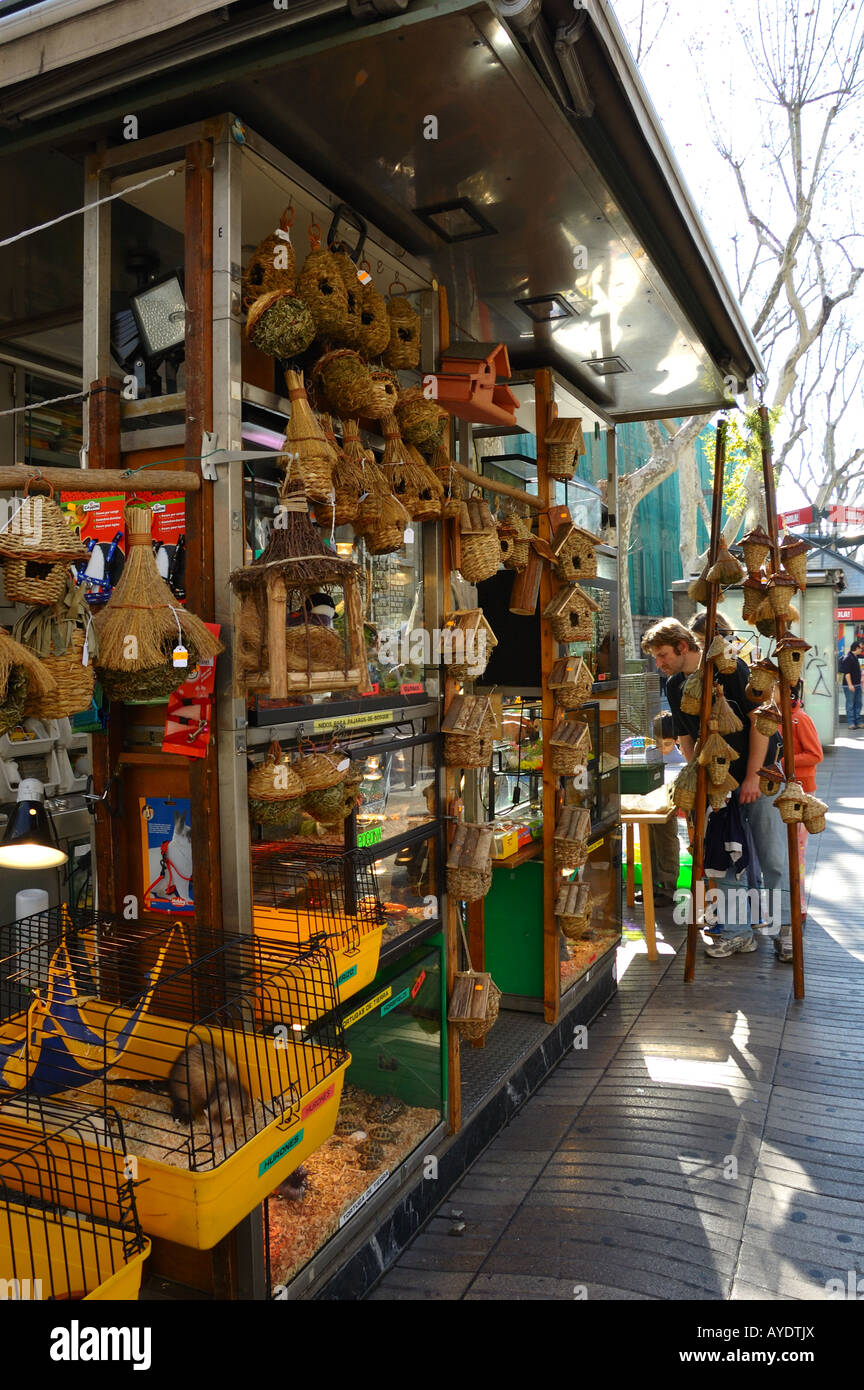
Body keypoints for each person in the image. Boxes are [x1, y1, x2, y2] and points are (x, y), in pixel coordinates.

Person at [641, 617, 791, 960]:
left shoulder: (729, 668)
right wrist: (703, 780)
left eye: (663, 655)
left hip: (761, 773)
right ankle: (738, 932)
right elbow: (685, 737)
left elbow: (760, 724)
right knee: (723, 858)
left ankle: (785, 931)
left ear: (682, 646)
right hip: (717, 782)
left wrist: (753, 776)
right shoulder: (675, 685)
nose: (659, 663)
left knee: (772, 857)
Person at [771, 682, 824, 962]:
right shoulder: (773, 717)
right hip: (782, 794)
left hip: (801, 793)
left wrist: (782, 761)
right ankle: (790, 903)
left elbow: (815, 755)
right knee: (786, 851)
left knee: (797, 852)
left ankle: (798, 905)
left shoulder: (800, 718)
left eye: (774, 688)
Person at [643, 712, 685, 906]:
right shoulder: (650, 753)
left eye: (667, 744)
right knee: (649, 845)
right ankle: (650, 886)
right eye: (658, 743)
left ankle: (668, 889)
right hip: (649, 806)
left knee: (667, 845)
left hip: (667, 807)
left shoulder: (679, 758)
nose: (662, 748)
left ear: (676, 740)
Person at [840, 639, 862, 729]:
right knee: (850, 704)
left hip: (857, 685)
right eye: (861, 648)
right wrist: (850, 685)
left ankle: (858, 721)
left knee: (858, 704)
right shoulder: (848, 658)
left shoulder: (855, 657)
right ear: (856, 648)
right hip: (850, 685)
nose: (861, 650)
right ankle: (851, 723)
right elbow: (847, 673)